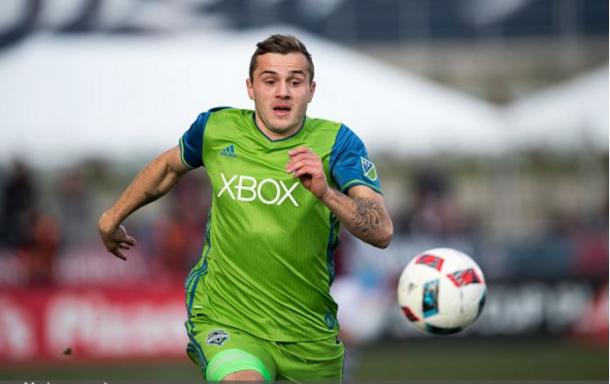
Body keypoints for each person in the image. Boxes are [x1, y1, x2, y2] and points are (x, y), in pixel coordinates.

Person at [98, 34, 393, 382]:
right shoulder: (216, 129)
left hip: (309, 334)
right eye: (270, 81)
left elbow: (381, 230)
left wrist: (326, 193)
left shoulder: (339, 143)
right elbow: (167, 168)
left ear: (311, 90)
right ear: (251, 88)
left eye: (294, 82)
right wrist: (112, 217)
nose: (282, 91)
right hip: (227, 317)